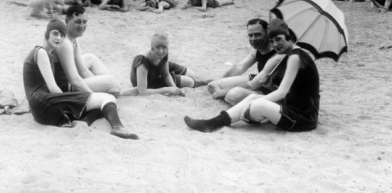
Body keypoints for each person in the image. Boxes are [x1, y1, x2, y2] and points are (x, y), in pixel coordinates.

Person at [184, 18, 320, 133]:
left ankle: (236, 118)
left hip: (303, 117)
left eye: (279, 39)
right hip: (291, 106)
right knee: (254, 96)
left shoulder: (295, 57)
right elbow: (290, 91)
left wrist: (251, 104)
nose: (275, 44)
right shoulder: (289, 55)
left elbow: (281, 93)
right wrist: (268, 87)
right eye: (272, 41)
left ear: (288, 37)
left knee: (256, 104)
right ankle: (212, 123)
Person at [23, 19, 138, 139]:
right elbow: (53, 88)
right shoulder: (41, 52)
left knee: (99, 103)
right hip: (44, 104)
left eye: (62, 35)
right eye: (55, 33)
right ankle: (117, 127)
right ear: (47, 34)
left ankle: (85, 121)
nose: (59, 38)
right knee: (107, 98)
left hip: (40, 107)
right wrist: (69, 99)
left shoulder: (45, 53)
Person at [206, 18, 277, 104]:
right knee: (212, 85)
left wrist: (225, 90)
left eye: (258, 35)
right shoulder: (257, 49)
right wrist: (223, 82)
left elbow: (253, 84)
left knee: (232, 95)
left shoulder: (276, 53)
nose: (253, 39)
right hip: (257, 81)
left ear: (267, 33)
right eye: (250, 35)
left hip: (269, 89)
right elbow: (241, 67)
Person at [129, 33, 211, 96]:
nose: (161, 51)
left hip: (157, 68)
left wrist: (174, 88)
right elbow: (142, 92)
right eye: (158, 47)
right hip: (149, 81)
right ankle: (202, 83)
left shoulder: (163, 54)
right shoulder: (142, 61)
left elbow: (165, 74)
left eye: (164, 47)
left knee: (190, 73)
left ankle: (201, 80)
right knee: (189, 82)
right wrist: (168, 89)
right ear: (152, 47)